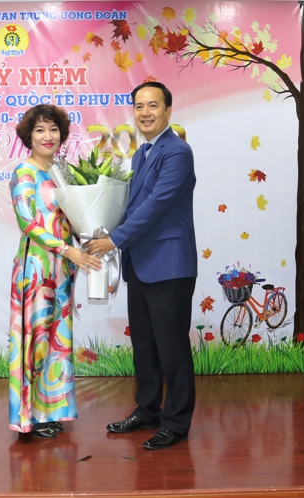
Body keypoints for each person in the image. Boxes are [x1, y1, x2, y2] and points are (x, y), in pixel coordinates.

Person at [87, 81, 198, 450]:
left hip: (169, 266)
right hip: (141, 265)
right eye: (139, 106)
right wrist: (99, 226)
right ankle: (148, 410)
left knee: (172, 349)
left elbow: (156, 205)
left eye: (153, 105)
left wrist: (114, 239)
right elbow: (134, 206)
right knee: (146, 346)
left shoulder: (177, 152)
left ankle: (176, 423)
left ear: (168, 110)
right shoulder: (142, 154)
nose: (145, 113)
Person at [8, 104, 102, 439]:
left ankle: (52, 411)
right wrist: (67, 249)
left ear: (62, 135)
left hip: (64, 268)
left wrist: (91, 236)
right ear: (29, 137)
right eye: (40, 130)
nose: (48, 136)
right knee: (35, 339)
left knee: (58, 339)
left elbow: (70, 218)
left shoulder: (60, 172)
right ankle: (29, 417)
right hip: (36, 268)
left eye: (53, 129)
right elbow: (29, 224)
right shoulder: (24, 172)